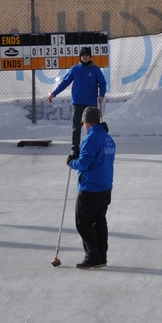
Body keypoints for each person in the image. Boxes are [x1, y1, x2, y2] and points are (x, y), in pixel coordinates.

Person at [67, 106, 115, 269]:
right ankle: (101, 256)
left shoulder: (91, 138)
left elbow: (84, 163)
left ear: (87, 122)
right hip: (105, 186)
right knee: (99, 222)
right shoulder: (108, 138)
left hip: (90, 188)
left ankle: (92, 256)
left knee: (83, 223)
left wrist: (71, 162)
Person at [48, 46, 107, 159]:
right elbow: (65, 82)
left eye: (87, 55)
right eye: (83, 55)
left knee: (93, 128)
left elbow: (102, 83)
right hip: (78, 103)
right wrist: (53, 94)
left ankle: (95, 147)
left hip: (90, 105)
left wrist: (101, 95)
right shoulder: (75, 69)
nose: (85, 57)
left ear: (90, 57)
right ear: (80, 56)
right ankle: (75, 149)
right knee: (76, 127)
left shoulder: (95, 69)